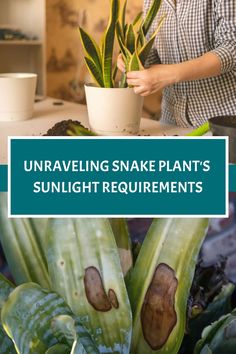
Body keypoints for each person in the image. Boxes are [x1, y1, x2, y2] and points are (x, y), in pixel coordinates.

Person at [117, 0, 236, 127]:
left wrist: (168, 75)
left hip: (223, 120)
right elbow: (154, 50)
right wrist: (134, 60)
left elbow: (231, 48)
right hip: (172, 119)